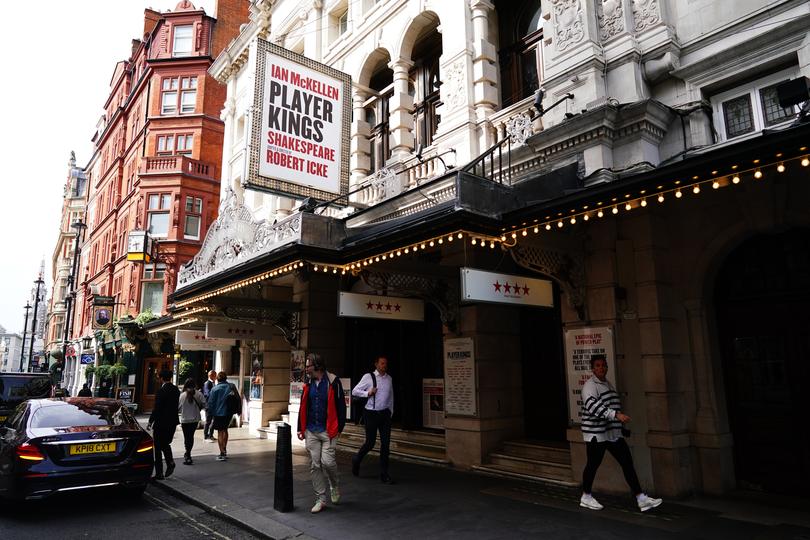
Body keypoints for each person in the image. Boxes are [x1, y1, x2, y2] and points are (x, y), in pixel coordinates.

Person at [579, 354, 662, 512]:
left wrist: (620, 428)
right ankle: (586, 496)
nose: (601, 368)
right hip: (597, 434)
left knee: (627, 463)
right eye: (597, 365)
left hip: (612, 434)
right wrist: (616, 415)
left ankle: (640, 498)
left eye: (603, 365)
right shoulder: (589, 386)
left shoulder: (608, 384)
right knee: (593, 465)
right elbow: (593, 406)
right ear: (592, 368)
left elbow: (612, 405)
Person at [296, 353, 346, 514]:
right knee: (315, 465)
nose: (306, 368)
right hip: (311, 430)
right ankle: (321, 499)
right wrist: (300, 427)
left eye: (308, 365)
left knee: (328, 463)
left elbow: (341, 407)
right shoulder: (307, 383)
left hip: (328, 430)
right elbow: (303, 405)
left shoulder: (333, 382)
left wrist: (339, 428)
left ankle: (334, 485)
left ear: (317, 366)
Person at [351, 356, 395, 484]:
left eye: (386, 363)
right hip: (371, 413)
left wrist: (390, 411)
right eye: (382, 363)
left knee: (385, 445)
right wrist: (368, 393)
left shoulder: (389, 378)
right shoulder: (368, 377)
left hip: (385, 414)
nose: (384, 365)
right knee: (370, 443)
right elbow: (355, 391)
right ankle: (357, 460)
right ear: (376, 364)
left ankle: (384, 473)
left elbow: (391, 396)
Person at [148, 369, 180, 480]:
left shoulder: (161, 391)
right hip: (172, 422)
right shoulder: (176, 390)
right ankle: (170, 462)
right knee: (165, 443)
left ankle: (159, 472)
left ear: (161, 378)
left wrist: (151, 421)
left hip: (161, 422)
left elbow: (157, 408)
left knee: (157, 446)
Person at [206, 371, 234, 461]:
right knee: (225, 430)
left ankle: (222, 452)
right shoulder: (231, 387)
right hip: (228, 413)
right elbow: (236, 399)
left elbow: (211, 403)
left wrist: (210, 413)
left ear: (217, 379)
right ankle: (225, 448)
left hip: (218, 413)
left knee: (220, 432)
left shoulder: (215, 389)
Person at [178, 378, 206, 465]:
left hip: (185, 419)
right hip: (195, 419)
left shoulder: (182, 395)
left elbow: (178, 408)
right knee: (191, 436)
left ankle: (187, 454)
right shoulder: (199, 394)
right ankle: (188, 453)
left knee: (187, 437)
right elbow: (205, 404)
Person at [202, 370, 217, 442]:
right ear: (211, 375)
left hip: (213, 405)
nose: (216, 377)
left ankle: (211, 434)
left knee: (214, 421)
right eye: (215, 375)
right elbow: (207, 394)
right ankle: (205, 435)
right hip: (209, 405)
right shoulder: (207, 383)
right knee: (208, 421)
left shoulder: (213, 383)